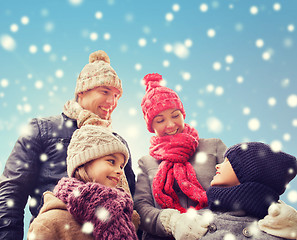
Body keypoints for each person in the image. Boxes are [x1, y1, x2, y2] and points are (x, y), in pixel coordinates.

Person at [0, 50, 135, 240]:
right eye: (105, 92)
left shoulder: (118, 143)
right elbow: (12, 191)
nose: (111, 102)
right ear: (82, 91)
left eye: (116, 96)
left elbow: (132, 203)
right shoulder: (42, 129)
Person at [134, 73, 227, 239]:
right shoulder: (146, 162)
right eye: (160, 120)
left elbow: (240, 186)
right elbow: (141, 207)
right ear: (151, 125)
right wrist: (173, 223)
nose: (170, 125)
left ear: (183, 114)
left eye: (175, 115)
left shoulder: (214, 146)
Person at [27, 122, 138, 240]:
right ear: (84, 162)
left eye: (121, 166)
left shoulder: (121, 217)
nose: (120, 171)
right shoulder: (49, 222)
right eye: (111, 161)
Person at [192, 141, 297, 239]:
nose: (217, 166)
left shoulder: (279, 231)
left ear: (251, 172)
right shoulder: (192, 223)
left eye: (227, 162)